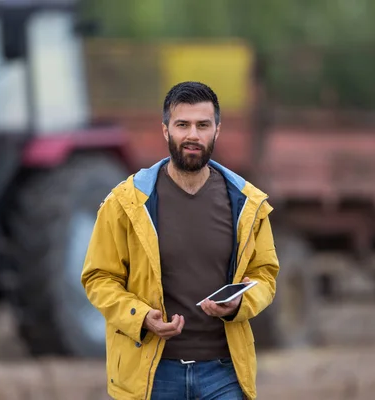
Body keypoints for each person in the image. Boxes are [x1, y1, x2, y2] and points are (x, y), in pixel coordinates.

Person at [81, 81, 280, 400]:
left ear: (217, 130)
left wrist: (240, 303)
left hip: (224, 374)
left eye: (203, 125)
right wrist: (141, 317)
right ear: (165, 130)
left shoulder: (247, 204)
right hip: (152, 373)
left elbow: (265, 275)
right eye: (182, 124)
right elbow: (99, 278)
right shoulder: (126, 203)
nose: (192, 135)